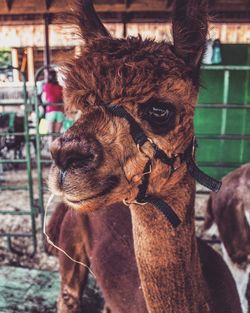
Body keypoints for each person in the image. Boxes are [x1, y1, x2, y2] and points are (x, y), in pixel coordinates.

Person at [43, 70, 64, 146]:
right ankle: (56, 153)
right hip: (60, 111)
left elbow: (44, 99)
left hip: (50, 110)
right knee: (57, 134)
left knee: (50, 134)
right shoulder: (60, 87)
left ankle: (51, 154)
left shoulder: (46, 86)